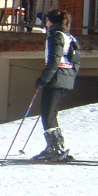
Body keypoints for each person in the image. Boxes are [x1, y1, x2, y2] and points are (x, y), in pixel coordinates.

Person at [32, 9, 79, 162]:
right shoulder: (69, 37)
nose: (44, 23)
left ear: (52, 21)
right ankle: (56, 146)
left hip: (56, 78)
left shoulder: (55, 36)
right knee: (51, 113)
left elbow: (54, 61)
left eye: (46, 20)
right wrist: (71, 76)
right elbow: (76, 61)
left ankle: (54, 149)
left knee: (47, 113)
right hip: (66, 78)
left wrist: (43, 79)